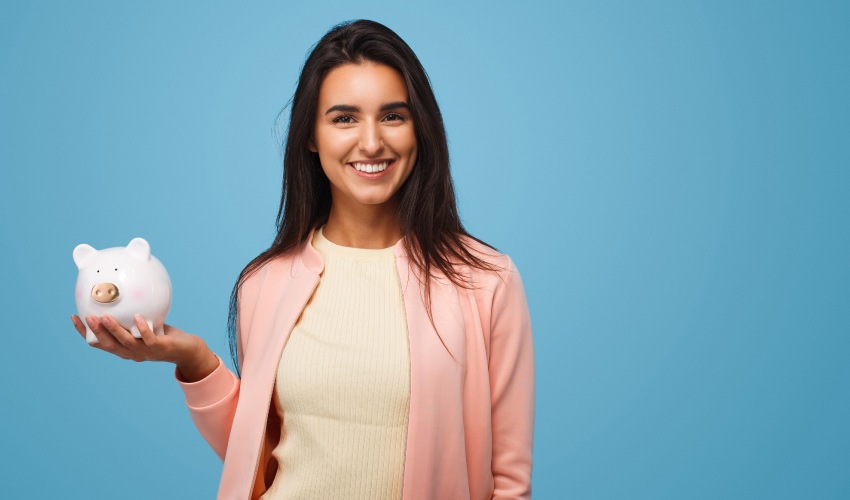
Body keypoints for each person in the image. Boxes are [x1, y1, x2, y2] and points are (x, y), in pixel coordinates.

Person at [71, 19, 534, 500]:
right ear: (311, 135)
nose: (372, 142)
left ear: (420, 129)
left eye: (393, 116)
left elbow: (510, 481)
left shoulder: (485, 281)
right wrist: (196, 362)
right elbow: (259, 458)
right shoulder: (265, 283)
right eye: (344, 118)